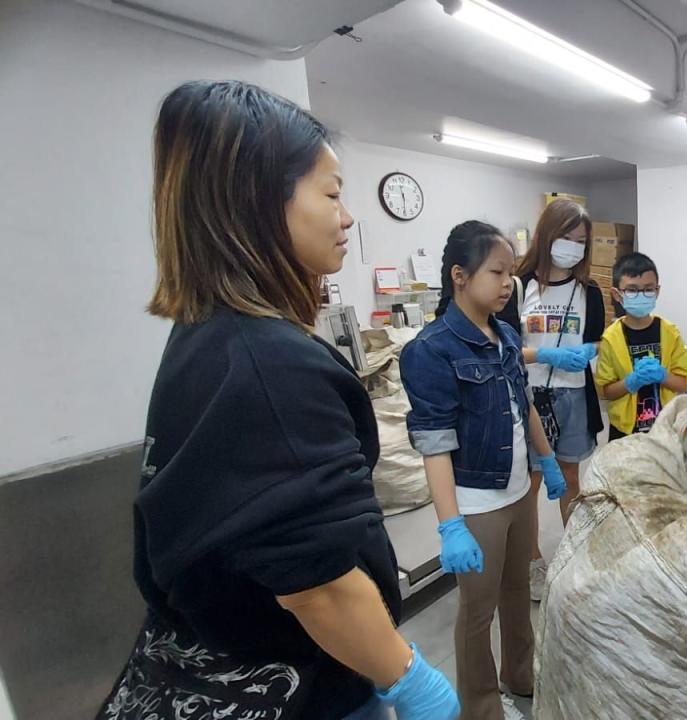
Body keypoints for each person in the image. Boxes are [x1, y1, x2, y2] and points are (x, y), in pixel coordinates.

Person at [100, 81, 458, 720]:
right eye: (332, 194)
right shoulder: (270, 362)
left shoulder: (206, 334)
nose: (347, 218)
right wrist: (408, 678)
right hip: (302, 683)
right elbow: (318, 586)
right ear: (260, 202)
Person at [401, 221, 566, 720]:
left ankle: (520, 674)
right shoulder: (431, 350)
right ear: (459, 275)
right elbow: (435, 446)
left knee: (518, 593)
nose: (507, 284)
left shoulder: (506, 334)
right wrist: (450, 525)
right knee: (478, 611)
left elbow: (524, 405)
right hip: (476, 503)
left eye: (510, 273)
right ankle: (481, 705)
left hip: (517, 491)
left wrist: (547, 460)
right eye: (496, 272)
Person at [502, 199, 605, 601]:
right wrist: (545, 354)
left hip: (574, 395)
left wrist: (587, 352)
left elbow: (596, 339)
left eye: (581, 241)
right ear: (547, 235)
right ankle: (532, 561)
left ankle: (575, 556)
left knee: (571, 478)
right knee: (531, 482)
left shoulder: (589, 291)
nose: (573, 248)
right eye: (567, 238)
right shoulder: (519, 286)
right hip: (531, 397)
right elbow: (506, 347)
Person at [595, 252, 687, 439]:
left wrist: (663, 375)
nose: (641, 295)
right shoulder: (611, 338)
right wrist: (630, 382)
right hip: (624, 432)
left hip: (665, 429)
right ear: (617, 294)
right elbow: (604, 391)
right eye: (632, 290)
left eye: (648, 289)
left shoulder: (669, 333)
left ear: (657, 291)